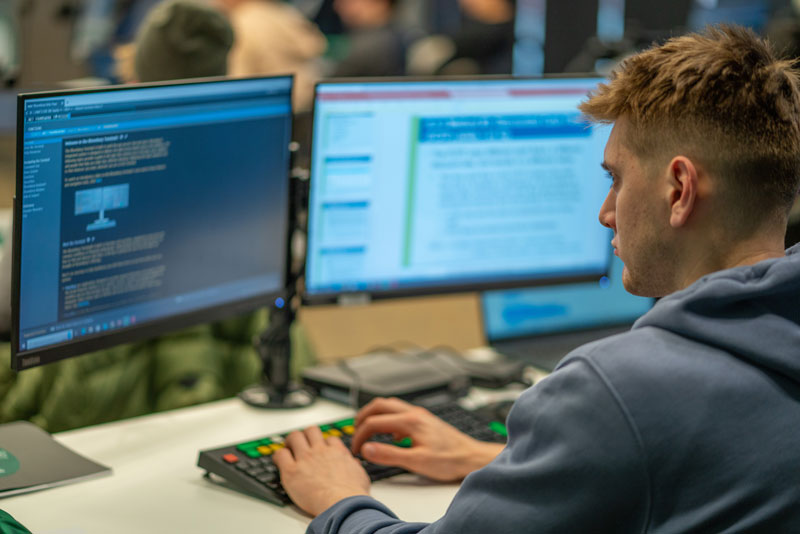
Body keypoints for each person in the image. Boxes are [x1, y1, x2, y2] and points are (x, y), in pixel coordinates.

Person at [272, 25, 800, 533]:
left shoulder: (621, 389)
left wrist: (339, 498)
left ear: (679, 189)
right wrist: (495, 456)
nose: (605, 212)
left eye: (615, 178)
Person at [217, 0, 327, 111]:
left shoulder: (241, 24)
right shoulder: (284, 13)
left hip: (272, 112)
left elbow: (237, 87)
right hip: (308, 107)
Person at [330, 0, 408, 77]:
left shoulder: (375, 44)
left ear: (381, 3)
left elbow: (327, 83)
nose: (337, 5)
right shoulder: (395, 35)